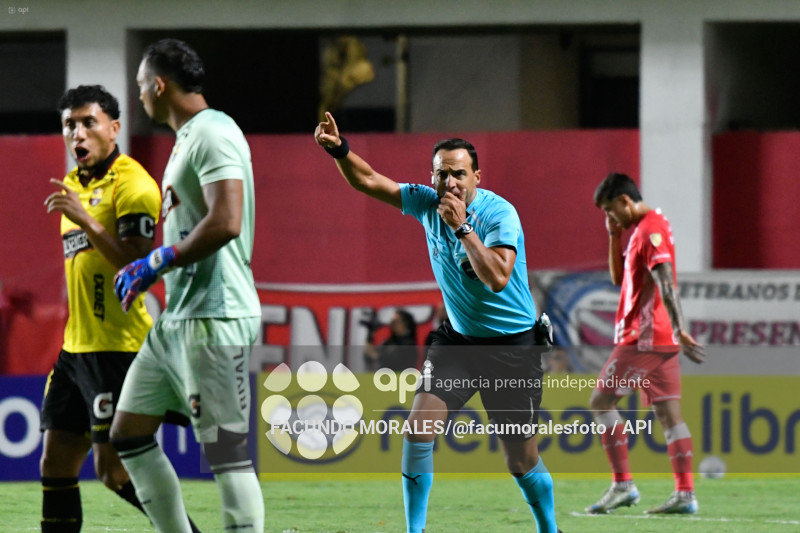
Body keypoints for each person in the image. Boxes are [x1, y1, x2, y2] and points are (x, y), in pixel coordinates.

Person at [315, 113, 559, 533]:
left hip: (513, 347)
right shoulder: (427, 203)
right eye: (441, 174)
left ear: (477, 176)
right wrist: (340, 149)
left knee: (521, 460)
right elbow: (370, 181)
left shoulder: (500, 215)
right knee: (417, 431)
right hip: (459, 344)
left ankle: (549, 529)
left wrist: (461, 227)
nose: (450, 183)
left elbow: (498, 278)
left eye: (459, 174)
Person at [110, 39, 264, 533]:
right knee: (129, 434)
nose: (138, 97)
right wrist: (158, 270)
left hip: (214, 318)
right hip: (178, 319)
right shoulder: (190, 137)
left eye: (139, 86)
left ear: (159, 84)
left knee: (226, 453)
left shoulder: (214, 132)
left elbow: (228, 220)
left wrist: (158, 259)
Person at [40, 85, 200, 533]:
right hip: (77, 350)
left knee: (112, 472)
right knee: (55, 464)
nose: (78, 133)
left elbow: (136, 263)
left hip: (118, 349)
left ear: (113, 129)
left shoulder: (133, 184)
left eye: (88, 122)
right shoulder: (74, 184)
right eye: (69, 124)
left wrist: (88, 220)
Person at [586, 172, 705, 515]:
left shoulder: (651, 230)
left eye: (610, 211)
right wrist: (614, 236)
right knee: (669, 413)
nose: (610, 218)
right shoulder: (640, 230)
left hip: (644, 336)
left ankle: (623, 484)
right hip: (658, 339)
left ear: (625, 201)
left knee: (600, 402)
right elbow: (619, 279)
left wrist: (681, 327)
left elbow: (666, 281)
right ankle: (685, 494)